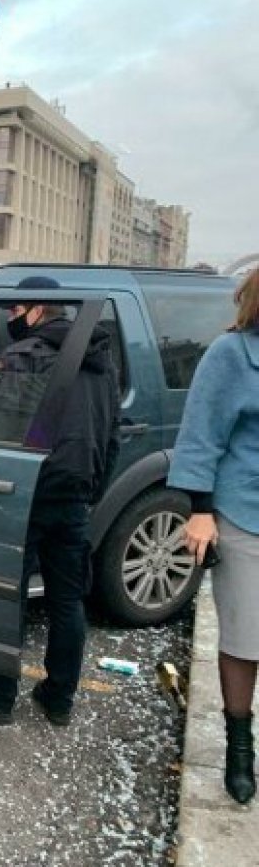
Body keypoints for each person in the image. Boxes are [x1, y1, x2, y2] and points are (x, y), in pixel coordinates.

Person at [0, 276, 120, 726]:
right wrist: (91, 492)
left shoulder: (22, 357)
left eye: (15, 312)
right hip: (74, 495)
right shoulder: (101, 362)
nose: (12, 320)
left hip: (24, 493)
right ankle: (58, 700)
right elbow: (111, 437)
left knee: (5, 593)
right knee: (68, 600)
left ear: (34, 310)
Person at [169, 269, 259, 805]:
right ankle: (239, 748)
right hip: (243, 512)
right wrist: (200, 510)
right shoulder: (233, 355)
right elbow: (200, 433)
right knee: (246, 639)